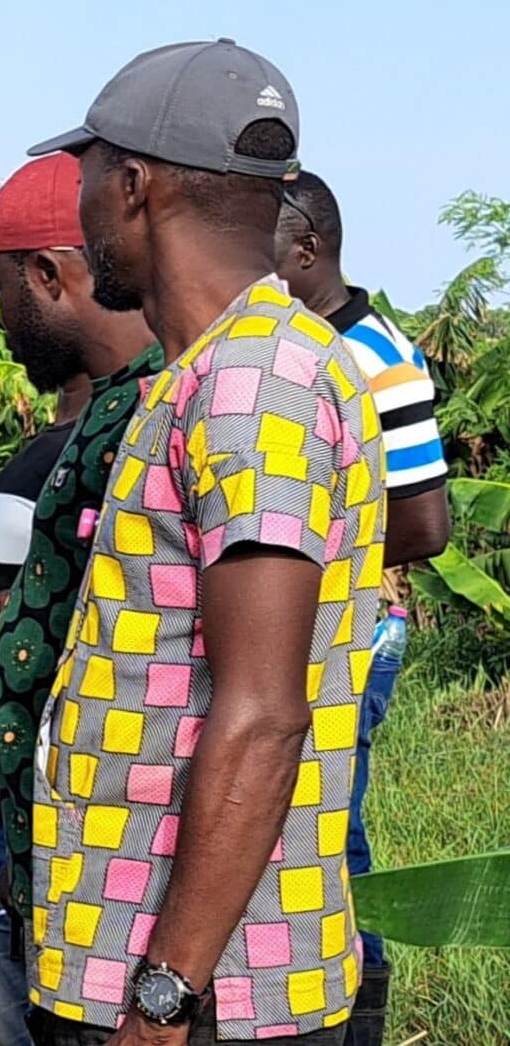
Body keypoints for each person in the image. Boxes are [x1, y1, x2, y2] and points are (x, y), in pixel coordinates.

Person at [24, 40, 379, 1045]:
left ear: (133, 185)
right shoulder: (216, 369)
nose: (81, 205)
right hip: (167, 973)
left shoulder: (251, 384)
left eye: (85, 175)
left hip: (201, 995)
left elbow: (263, 714)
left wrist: (161, 993)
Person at [0, 156, 157, 1046]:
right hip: (3, 811)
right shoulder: (80, 432)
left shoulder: (150, 424)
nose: (2, 325)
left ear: (52, 275)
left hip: (86, 840)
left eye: (3, 293)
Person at [273, 170, 451, 1046]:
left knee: (330, 831)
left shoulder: (375, 356)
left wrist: (299, 562)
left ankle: (358, 1017)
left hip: (354, 626)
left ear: (306, 248)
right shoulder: (293, 347)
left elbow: (426, 521)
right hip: (304, 619)